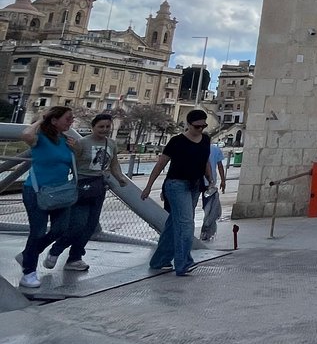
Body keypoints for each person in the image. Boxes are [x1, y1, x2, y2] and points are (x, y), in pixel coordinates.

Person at [45, 112, 130, 272]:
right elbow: (72, 163)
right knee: (78, 225)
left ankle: (75, 257)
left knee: (90, 226)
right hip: (82, 186)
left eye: (107, 126)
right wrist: (73, 151)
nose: (104, 129)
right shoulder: (81, 143)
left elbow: (114, 164)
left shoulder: (111, 144)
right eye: (101, 126)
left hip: (99, 186)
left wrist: (120, 178)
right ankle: (56, 250)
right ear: (93, 127)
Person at [141, 109, 214, 277]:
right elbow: (160, 164)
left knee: (174, 225)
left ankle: (159, 261)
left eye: (204, 126)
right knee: (186, 223)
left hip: (195, 185)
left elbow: (205, 161)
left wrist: (210, 179)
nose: (200, 129)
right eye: (197, 126)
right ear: (188, 125)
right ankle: (184, 263)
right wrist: (149, 186)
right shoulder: (176, 141)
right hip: (176, 185)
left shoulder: (206, 140)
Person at [15, 106, 77, 289]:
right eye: (67, 119)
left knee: (61, 228)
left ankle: (28, 254)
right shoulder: (40, 138)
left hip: (61, 192)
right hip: (37, 191)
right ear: (54, 120)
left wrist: (76, 150)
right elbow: (25, 135)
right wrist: (42, 119)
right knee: (38, 231)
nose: (71, 122)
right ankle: (29, 272)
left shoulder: (65, 140)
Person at [200, 138, 227, 242]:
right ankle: (207, 231)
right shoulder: (215, 150)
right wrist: (223, 181)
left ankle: (206, 231)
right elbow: (220, 166)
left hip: (198, 182)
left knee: (207, 208)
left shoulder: (200, 148)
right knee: (209, 209)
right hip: (210, 183)